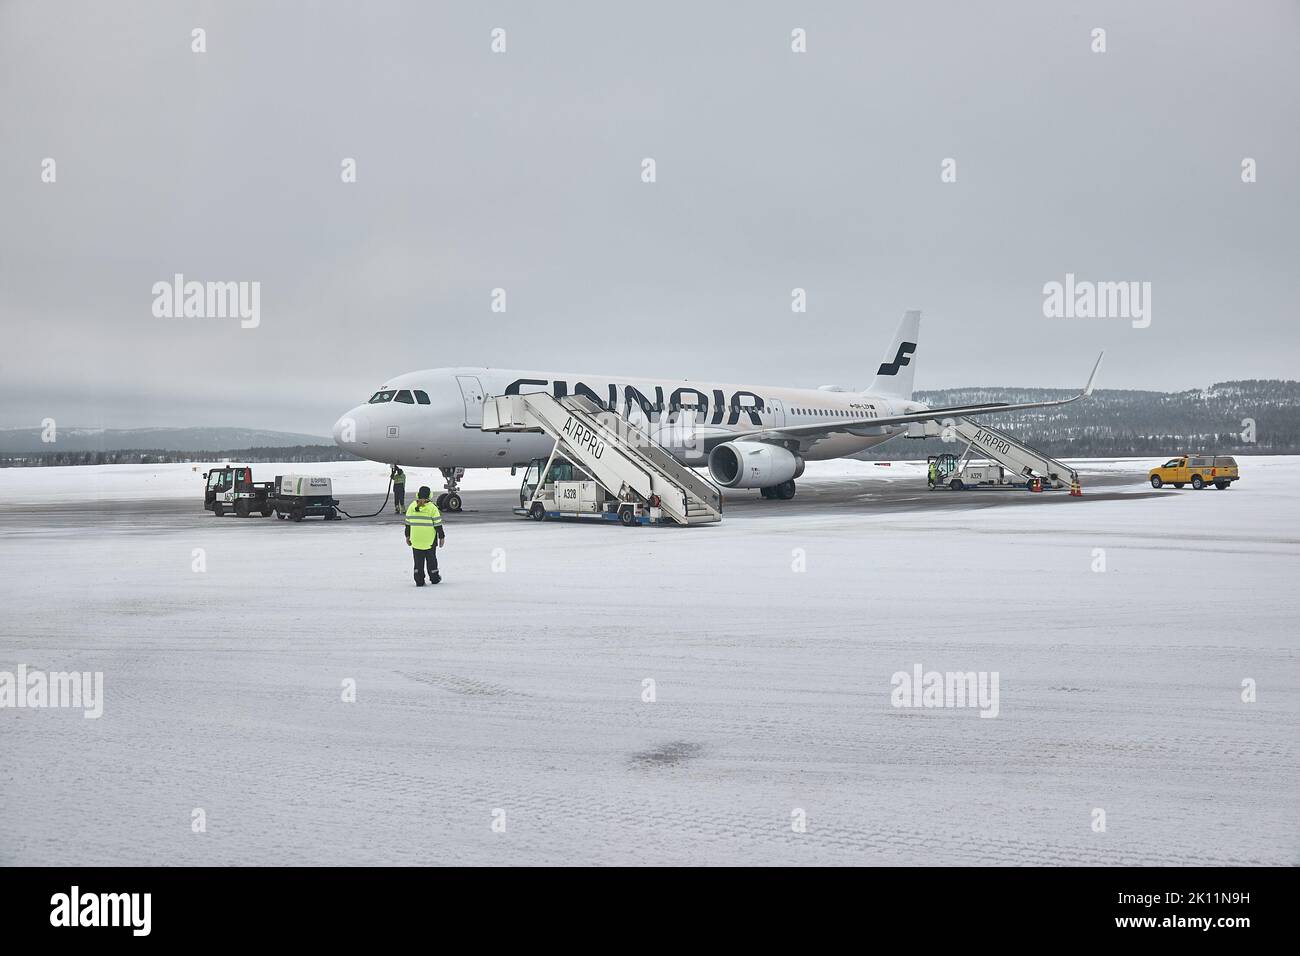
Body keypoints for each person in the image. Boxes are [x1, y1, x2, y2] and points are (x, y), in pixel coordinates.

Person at [404, 485, 445, 586]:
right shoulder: (432, 508)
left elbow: (407, 524)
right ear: (429, 495)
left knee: (418, 562)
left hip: (416, 540)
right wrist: (441, 537)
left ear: (418, 495)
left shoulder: (411, 507)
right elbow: (438, 525)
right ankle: (434, 578)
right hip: (429, 541)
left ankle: (419, 580)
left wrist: (407, 536)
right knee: (431, 560)